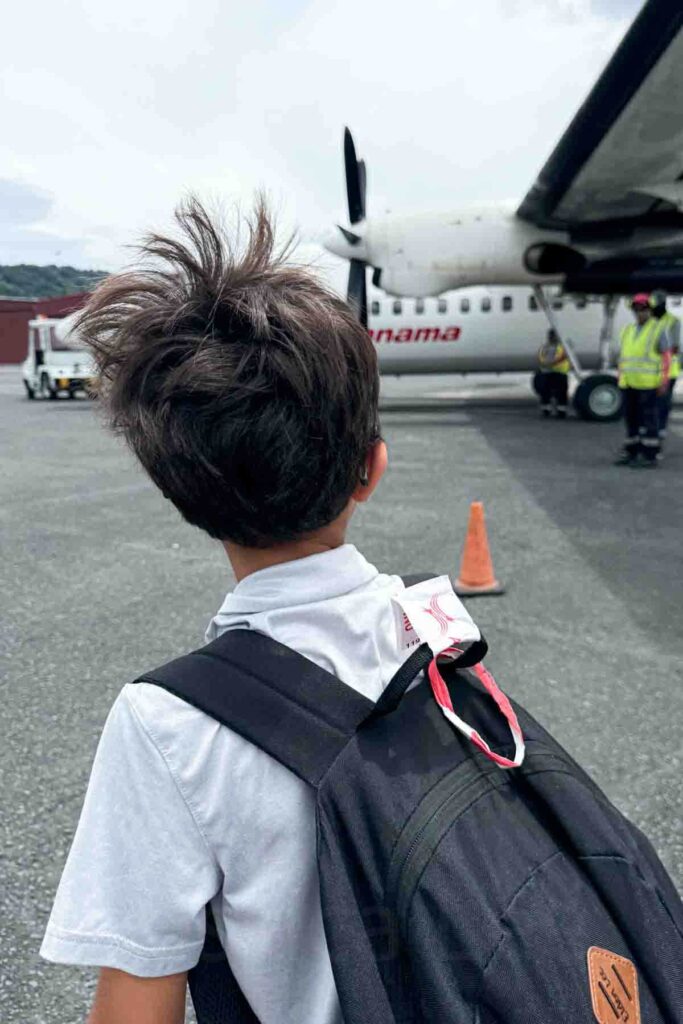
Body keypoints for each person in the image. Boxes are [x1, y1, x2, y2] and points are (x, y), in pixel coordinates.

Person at [38, 198, 414, 1024]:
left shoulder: (166, 724)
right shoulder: (436, 631)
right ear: (372, 467)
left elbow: (137, 1004)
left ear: (181, 493)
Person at [615, 293, 671, 468]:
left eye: (644, 309)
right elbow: (624, 356)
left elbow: (666, 357)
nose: (640, 313)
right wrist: (620, 376)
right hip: (629, 383)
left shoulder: (657, 329)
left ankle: (649, 455)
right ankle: (632, 451)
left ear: (650, 310)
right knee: (631, 419)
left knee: (649, 420)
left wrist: (664, 381)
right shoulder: (627, 330)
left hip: (649, 384)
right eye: (637, 309)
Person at [650, 290, 680, 452]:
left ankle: (660, 432)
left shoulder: (673, 321)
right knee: (651, 404)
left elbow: (674, 347)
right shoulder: (650, 321)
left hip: (669, 370)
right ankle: (653, 433)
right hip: (651, 371)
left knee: (662, 404)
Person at [536, 328, 569, 418]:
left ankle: (561, 411)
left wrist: (550, 363)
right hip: (547, 372)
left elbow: (563, 357)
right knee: (545, 392)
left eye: (553, 336)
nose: (552, 337)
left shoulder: (562, 346)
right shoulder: (545, 347)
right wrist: (544, 363)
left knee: (561, 392)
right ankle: (546, 410)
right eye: (551, 336)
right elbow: (540, 357)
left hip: (560, 372)